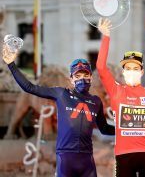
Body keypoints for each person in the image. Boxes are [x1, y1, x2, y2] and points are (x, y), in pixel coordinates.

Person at [2, 45, 115, 177]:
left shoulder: (96, 101)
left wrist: (124, 129)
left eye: (86, 75)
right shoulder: (61, 94)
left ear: (91, 77)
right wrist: (11, 64)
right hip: (65, 158)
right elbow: (30, 87)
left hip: (87, 159)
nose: (82, 79)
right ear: (71, 79)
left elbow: (104, 128)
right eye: (78, 75)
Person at [97, 18, 145, 177]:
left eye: (135, 68)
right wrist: (106, 37)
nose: (132, 71)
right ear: (123, 72)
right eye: (128, 68)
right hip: (124, 155)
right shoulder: (116, 90)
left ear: (142, 72)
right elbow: (101, 68)